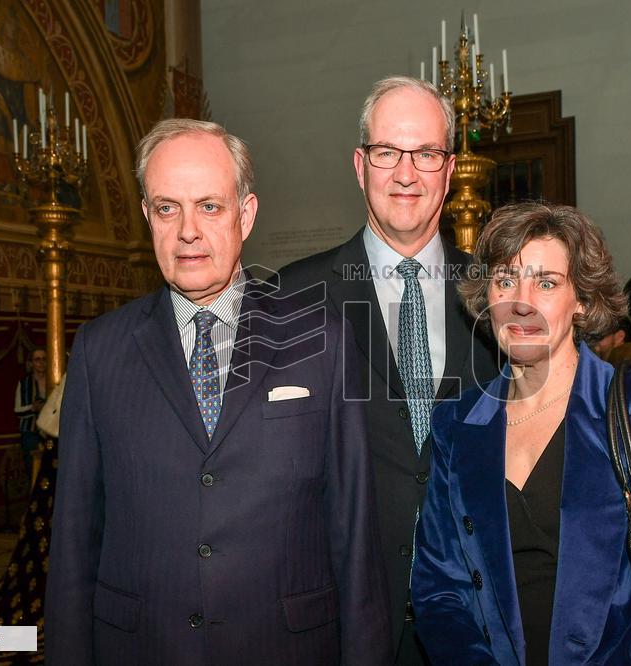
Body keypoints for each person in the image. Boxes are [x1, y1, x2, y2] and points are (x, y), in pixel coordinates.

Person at [45, 119, 391, 665]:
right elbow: (72, 544)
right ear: (146, 217)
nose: (187, 231)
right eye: (167, 208)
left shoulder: (323, 341)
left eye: (209, 206)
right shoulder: (99, 352)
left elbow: (355, 535)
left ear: (245, 214)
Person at [411, 203, 631, 665]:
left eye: (546, 282)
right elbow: (438, 586)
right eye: (506, 279)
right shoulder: (459, 420)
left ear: (583, 302)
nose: (520, 300)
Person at [277, 76, 497, 664]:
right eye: (387, 153)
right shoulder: (294, 297)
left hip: (476, 621)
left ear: (449, 170)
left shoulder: (496, 296)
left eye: (426, 153)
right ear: (360, 164)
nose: (407, 173)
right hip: (341, 619)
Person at [14, 347, 46, 474]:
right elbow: (17, 411)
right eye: (37, 359)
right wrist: (33, 408)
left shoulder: (55, 381)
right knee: (34, 470)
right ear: (31, 363)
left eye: (44, 359)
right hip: (31, 434)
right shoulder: (24, 383)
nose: (41, 362)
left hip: (53, 433)